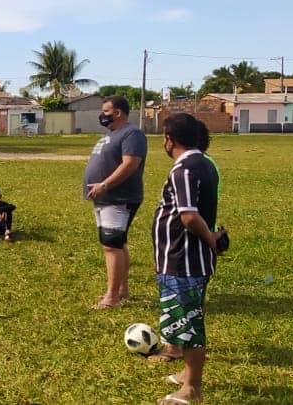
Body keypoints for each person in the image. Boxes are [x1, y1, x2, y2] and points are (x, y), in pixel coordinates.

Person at [150, 113, 225, 405]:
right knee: (190, 315)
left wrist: (211, 240)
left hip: (183, 259)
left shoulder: (183, 169)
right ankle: (186, 373)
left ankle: (192, 387)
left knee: (188, 322)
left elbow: (190, 216)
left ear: (170, 139)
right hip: (195, 260)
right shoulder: (206, 164)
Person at [82, 95, 147, 310]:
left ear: (117, 112)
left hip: (118, 198)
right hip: (104, 199)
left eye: (106, 111)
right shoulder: (112, 134)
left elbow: (130, 164)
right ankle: (122, 290)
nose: (103, 115)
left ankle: (112, 297)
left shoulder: (132, 133)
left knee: (111, 246)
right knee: (116, 244)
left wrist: (105, 185)